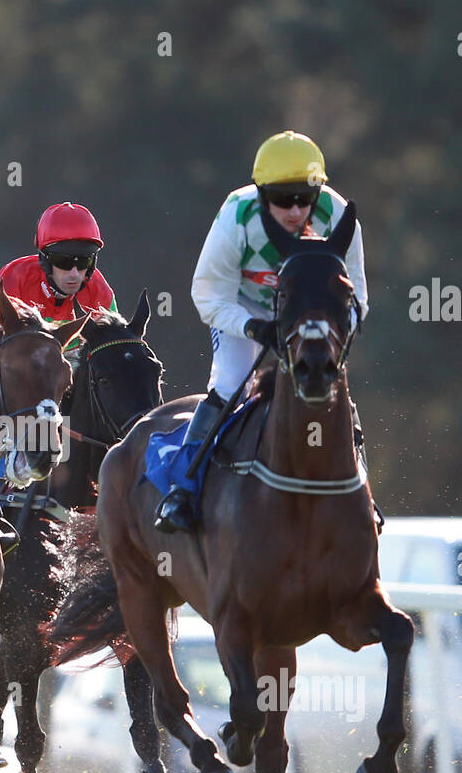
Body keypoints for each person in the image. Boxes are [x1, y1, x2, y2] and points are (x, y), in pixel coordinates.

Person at [154, 130, 370, 533]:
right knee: (231, 380)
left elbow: (358, 298)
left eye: (303, 199)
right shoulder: (237, 217)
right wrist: (253, 327)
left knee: (333, 386)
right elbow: (206, 294)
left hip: (306, 315)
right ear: (260, 194)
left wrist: (332, 336)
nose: (293, 211)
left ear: (318, 192)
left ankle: (363, 495)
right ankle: (182, 491)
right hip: (242, 309)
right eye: (281, 199)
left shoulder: (338, 216)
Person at [0, 201, 123, 358]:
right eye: (63, 262)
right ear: (45, 260)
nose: (74, 273)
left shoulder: (100, 291)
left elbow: (114, 356)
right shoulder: (14, 277)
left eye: (84, 261)